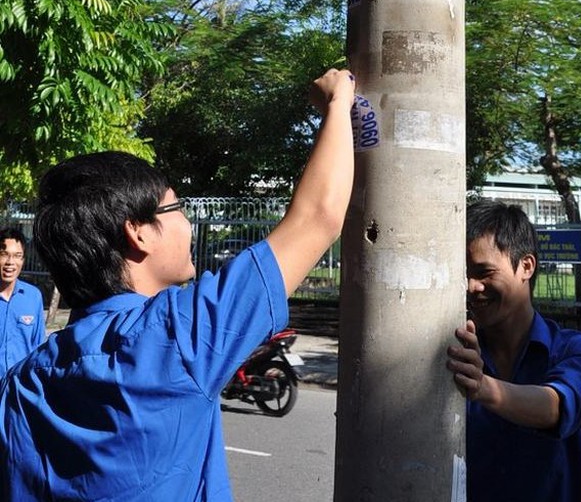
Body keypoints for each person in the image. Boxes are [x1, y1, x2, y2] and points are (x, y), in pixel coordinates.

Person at [0, 68, 356, 502]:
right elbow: (318, 217)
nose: (188, 222)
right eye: (177, 208)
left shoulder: (23, 384)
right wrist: (338, 104)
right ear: (139, 232)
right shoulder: (178, 335)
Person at [446, 200, 581, 502]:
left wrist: (484, 387)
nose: (472, 286)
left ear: (526, 266)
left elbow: (557, 407)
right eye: (464, 274)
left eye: (484, 272)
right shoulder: (455, 354)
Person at [0, 227, 45, 378]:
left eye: (17, 256)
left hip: (19, 388)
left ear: (23, 260)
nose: (10, 262)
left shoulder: (33, 297)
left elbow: (38, 347)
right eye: (4, 255)